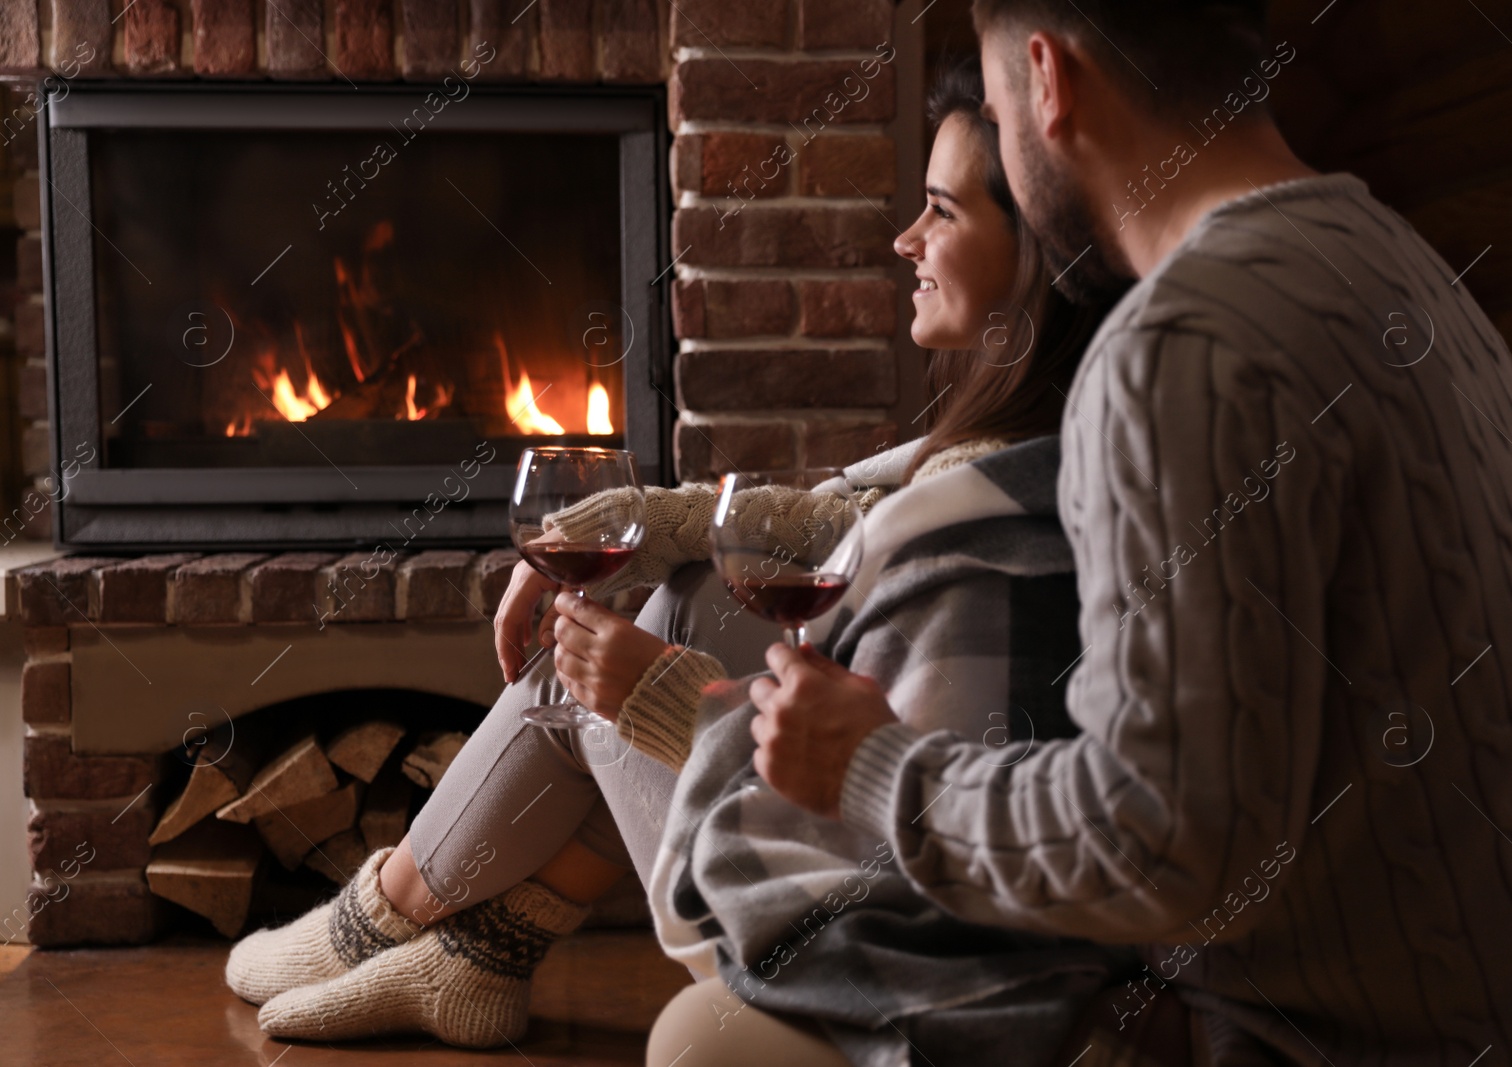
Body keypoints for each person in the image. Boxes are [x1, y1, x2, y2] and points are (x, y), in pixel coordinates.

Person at [738, 2, 1512, 1065]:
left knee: (715, 1026)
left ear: (1047, 80)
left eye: (1000, 115)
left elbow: (1160, 844)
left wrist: (872, 767)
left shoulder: (1178, 343)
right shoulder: (1408, 270)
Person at [221, 58, 1121, 1055]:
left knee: (614, 665)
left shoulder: (1002, 524)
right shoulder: (1007, 445)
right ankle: (473, 950)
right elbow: (842, 521)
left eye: (940, 213)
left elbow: (906, 844)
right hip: (887, 856)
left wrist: (664, 697)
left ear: (1033, 252)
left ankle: (402, 924)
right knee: (676, 601)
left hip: (879, 951)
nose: (902, 239)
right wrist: (641, 516)